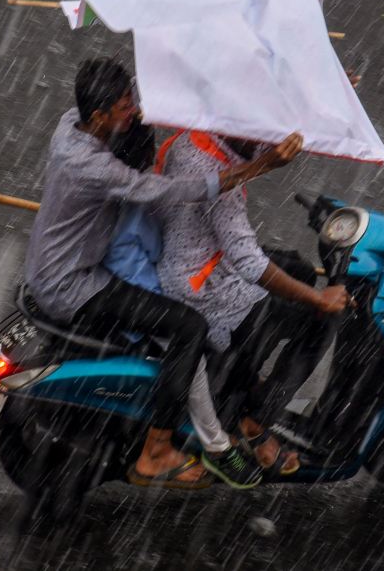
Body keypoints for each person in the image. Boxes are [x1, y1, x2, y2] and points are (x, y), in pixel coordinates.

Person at [23, 57, 302, 489]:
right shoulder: (98, 171)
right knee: (187, 327)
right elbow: (177, 191)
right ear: (99, 117)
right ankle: (157, 452)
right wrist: (258, 167)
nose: (133, 110)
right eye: (124, 108)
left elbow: (150, 90)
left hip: (52, 267)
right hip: (72, 286)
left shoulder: (70, 125)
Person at [156, 129, 350, 475]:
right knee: (322, 320)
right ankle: (257, 419)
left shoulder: (192, 137)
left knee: (296, 266)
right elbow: (250, 263)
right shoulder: (217, 182)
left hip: (188, 258)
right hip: (206, 289)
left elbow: (264, 152)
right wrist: (319, 298)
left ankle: (244, 378)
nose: (266, 140)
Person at [103, 117, 266, 489]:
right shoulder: (136, 208)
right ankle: (216, 446)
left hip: (140, 283)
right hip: (139, 295)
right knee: (188, 336)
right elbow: (137, 274)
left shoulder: (137, 189)